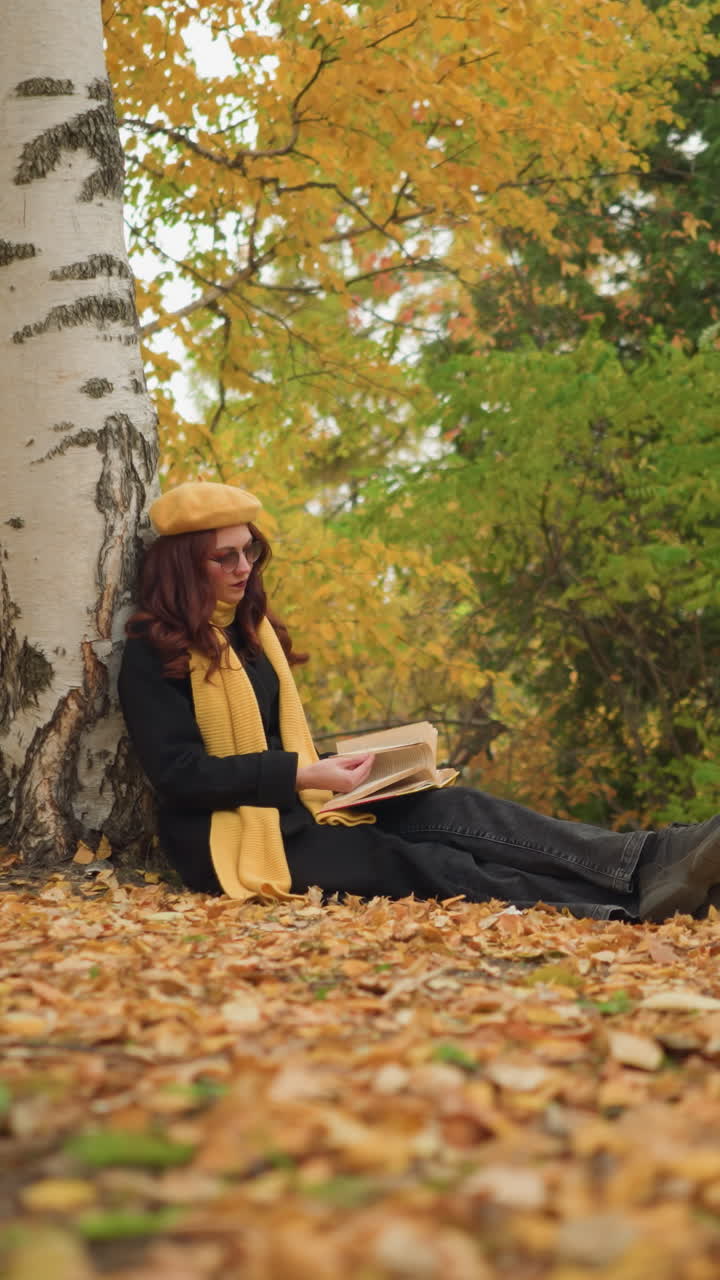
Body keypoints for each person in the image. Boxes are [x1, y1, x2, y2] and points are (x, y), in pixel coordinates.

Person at [118, 480, 720, 922]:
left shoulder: (253, 635)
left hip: (305, 805)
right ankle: (633, 906)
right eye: (225, 556)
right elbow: (179, 774)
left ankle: (651, 857)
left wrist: (358, 772)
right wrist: (304, 773)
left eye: (251, 551)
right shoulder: (157, 649)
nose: (244, 566)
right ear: (182, 564)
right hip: (238, 839)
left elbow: (276, 742)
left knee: (458, 810)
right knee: (430, 864)